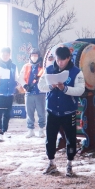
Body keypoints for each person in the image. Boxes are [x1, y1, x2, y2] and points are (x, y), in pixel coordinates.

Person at [38, 46, 85, 177]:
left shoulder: (76, 72)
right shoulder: (48, 70)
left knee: (70, 138)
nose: (60, 63)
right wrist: (50, 86)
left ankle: (69, 165)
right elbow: (40, 86)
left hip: (68, 111)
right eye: (58, 60)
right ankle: (51, 163)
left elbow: (80, 90)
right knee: (50, 137)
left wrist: (65, 89)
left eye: (63, 60)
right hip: (52, 110)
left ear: (68, 58)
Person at [0, 47, 19, 142]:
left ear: (9, 55)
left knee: (7, 114)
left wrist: (18, 84)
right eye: (3, 54)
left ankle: (5, 131)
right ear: (0, 55)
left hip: (9, 93)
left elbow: (16, 77)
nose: (5, 56)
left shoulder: (13, 66)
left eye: (7, 54)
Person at [18, 48, 46, 138]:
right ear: (30, 56)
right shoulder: (26, 66)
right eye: (32, 55)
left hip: (40, 93)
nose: (34, 57)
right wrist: (25, 85)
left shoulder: (43, 67)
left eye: (36, 55)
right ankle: (30, 130)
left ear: (39, 56)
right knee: (29, 113)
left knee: (41, 112)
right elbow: (20, 77)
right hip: (29, 93)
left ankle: (41, 130)